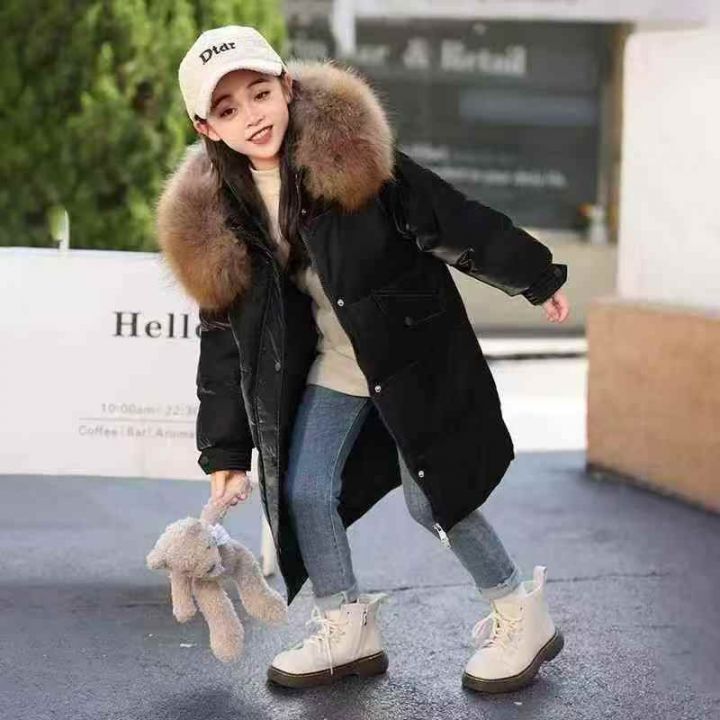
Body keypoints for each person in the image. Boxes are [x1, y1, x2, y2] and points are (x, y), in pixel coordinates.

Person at [156, 25, 570, 693]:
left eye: (260, 93)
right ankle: (345, 625)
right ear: (206, 128)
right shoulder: (219, 216)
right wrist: (225, 452)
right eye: (228, 109)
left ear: (286, 86)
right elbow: (225, 339)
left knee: (434, 500)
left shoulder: (350, 154)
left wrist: (533, 274)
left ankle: (521, 613)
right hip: (338, 365)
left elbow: (448, 215)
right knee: (304, 491)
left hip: (410, 353)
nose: (251, 116)